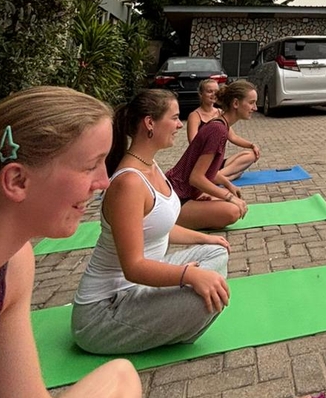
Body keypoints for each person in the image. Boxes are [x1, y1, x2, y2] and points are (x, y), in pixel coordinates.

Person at [0, 86, 141, 398]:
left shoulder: (13, 265)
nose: (103, 181)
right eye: (90, 165)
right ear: (17, 181)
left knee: (123, 377)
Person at [71, 89, 230, 355]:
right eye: (175, 118)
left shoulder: (151, 166)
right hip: (103, 313)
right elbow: (133, 267)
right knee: (203, 299)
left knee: (216, 254)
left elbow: (160, 229)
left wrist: (208, 238)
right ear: (149, 123)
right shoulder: (129, 183)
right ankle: (172, 317)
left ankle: (165, 311)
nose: (180, 125)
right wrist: (187, 275)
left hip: (139, 287)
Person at [167, 80, 257, 230]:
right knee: (233, 211)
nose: (255, 108)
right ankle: (169, 219)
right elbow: (196, 178)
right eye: (251, 103)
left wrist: (228, 185)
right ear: (236, 103)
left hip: (185, 192)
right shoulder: (218, 130)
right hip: (178, 197)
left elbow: (208, 172)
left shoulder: (220, 125)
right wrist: (228, 196)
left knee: (229, 200)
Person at [187, 79, 261, 181]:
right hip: (202, 165)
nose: (255, 108)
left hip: (214, 164)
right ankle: (217, 177)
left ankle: (219, 176)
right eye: (209, 91)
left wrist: (251, 145)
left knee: (250, 156)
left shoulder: (220, 116)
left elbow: (233, 137)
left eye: (215, 91)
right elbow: (194, 145)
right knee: (236, 173)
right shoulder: (212, 124)